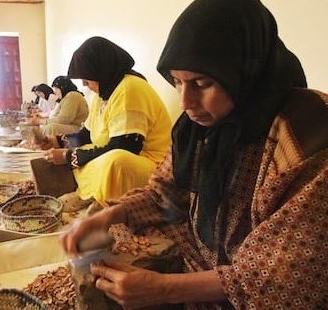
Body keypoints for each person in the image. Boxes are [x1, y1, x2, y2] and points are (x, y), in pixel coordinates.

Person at [61, 0, 328, 309]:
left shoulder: (309, 132)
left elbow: (283, 279)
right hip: (204, 285)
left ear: (245, 69)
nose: (186, 101)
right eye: (176, 82)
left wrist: (164, 290)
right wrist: (109, 214)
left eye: (202, 83)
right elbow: (166, 195)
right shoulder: (197, 129)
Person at [39, 37, 172, 209]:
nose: (84, 84)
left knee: (115, 161)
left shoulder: (130, 88)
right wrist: (56, 141)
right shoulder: (102, 94)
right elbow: (86, 134)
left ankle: (102, 201)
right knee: (84, 151)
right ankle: (90, 193)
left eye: (87, 78)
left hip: (151, 165)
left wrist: (68, 156)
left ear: (101, 70)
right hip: (116, 153)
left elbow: (125, 147)